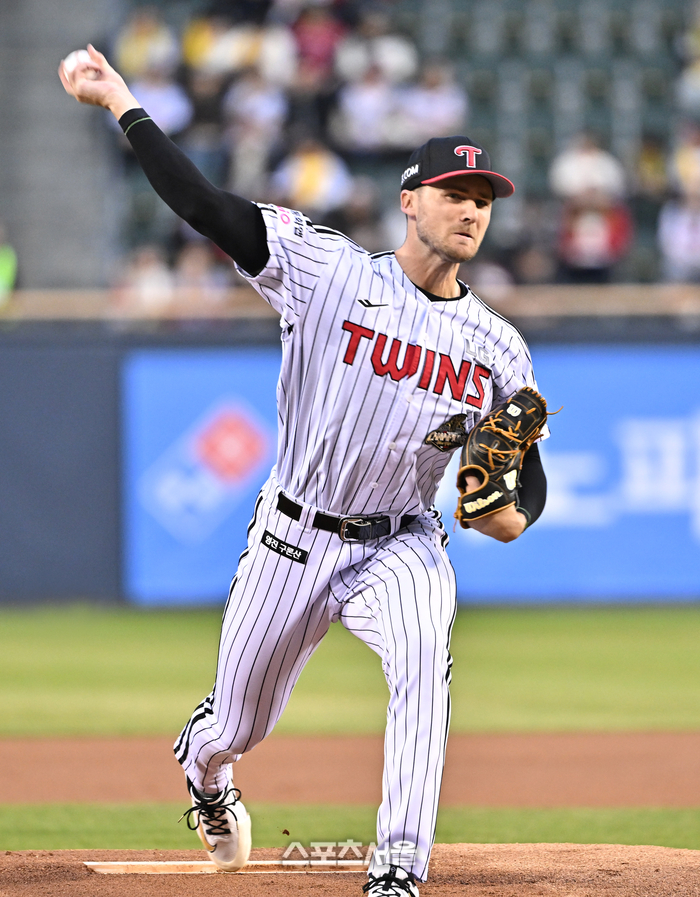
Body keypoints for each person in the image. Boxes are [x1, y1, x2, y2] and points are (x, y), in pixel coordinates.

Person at [60, 46, 548, 897]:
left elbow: (522, 479)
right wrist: (123, 104)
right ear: (409, 201)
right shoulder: (328, 271)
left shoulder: (499, 347)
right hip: (293, 535)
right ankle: (206, 772)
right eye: (454, 193)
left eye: (482, 199)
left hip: (402, 542)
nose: (471, 210)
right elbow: (204, 205)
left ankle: (397, 869)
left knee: (423, 659)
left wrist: (514, 513)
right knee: (238, 722)